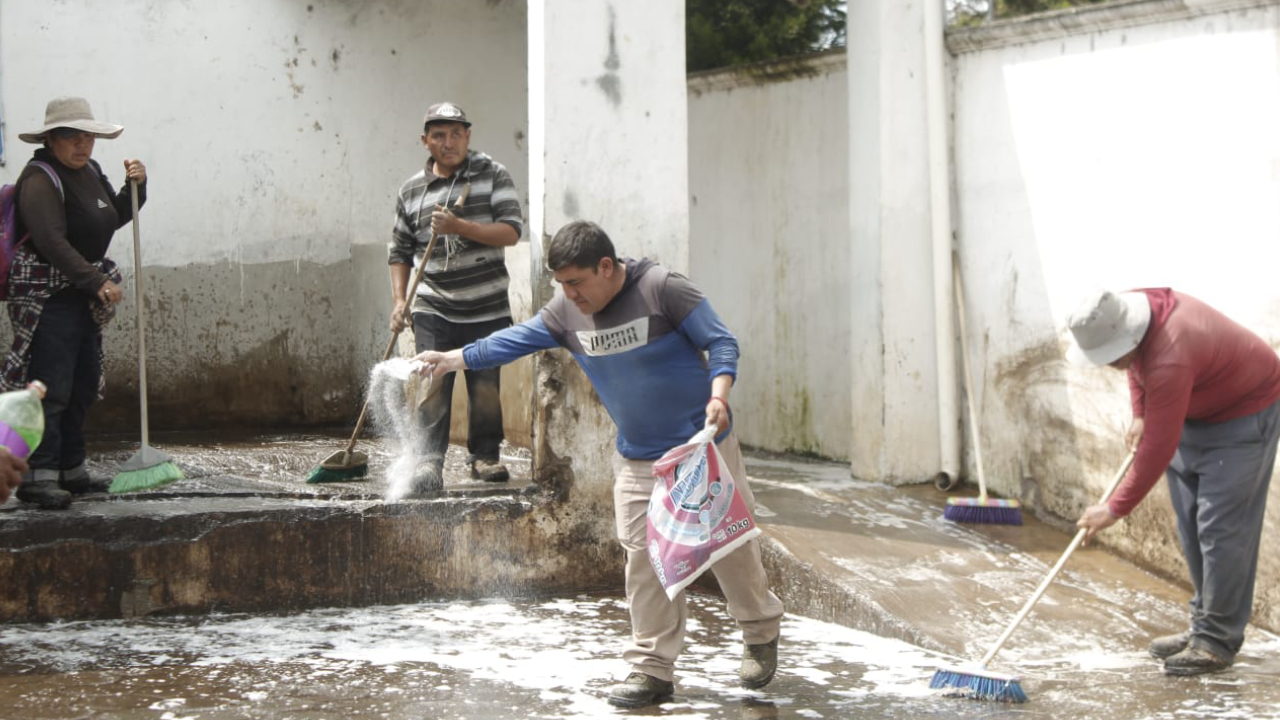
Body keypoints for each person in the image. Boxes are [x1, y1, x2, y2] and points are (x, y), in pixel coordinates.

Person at [414, 220, 784, 708]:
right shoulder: (566, 312)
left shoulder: (661, 289)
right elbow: (514, 340)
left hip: (703, 446)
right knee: (645, 558)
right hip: (639, 457)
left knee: (729, 544)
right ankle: (652, 668)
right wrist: (452, 359)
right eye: (561, 285)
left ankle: (759, 632)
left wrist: (720, 395)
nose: (569, 294)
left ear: (606, 267)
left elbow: (721, 342)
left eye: (577, 282)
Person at [1066, 288, 1280, 676]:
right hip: (1195, 409)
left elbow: (1158, 448)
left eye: (1112, 356)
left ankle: (1216, 642)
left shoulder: (1171, 352)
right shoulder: (1124, 313)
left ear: (1127, 337)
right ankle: (1203, 626)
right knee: (1190, 524)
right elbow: (1134, 368)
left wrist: (1113, 508)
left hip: (1245, 414)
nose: (1111, 365)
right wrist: (1140, 413)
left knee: (1220, 528)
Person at [2, 97, 147, 510]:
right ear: (51, 138)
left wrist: (136, 187)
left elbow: (113, 215)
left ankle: (72, 469)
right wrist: (96, 279)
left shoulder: (90, 172)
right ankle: (38, 475)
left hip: (80, 295)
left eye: (88, 136)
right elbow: (51, 241)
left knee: (82, 383)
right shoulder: (40, 179)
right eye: (71, 136)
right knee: (51, 386)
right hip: (49, 297)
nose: (82, 145)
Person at [388, 102, 522, 494]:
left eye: (457, 134)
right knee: (432, 383)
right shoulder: (411, 190)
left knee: (485, 386)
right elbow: (399, 251)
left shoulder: (492, 175)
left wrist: (457, 226)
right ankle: (429, 460)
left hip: (486, 303)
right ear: (425, 140)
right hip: (434, 304)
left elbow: (511, 231)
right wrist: (400, 301)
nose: (449, 143)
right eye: (440, 135)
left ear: (468, 135)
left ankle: (484, 456)